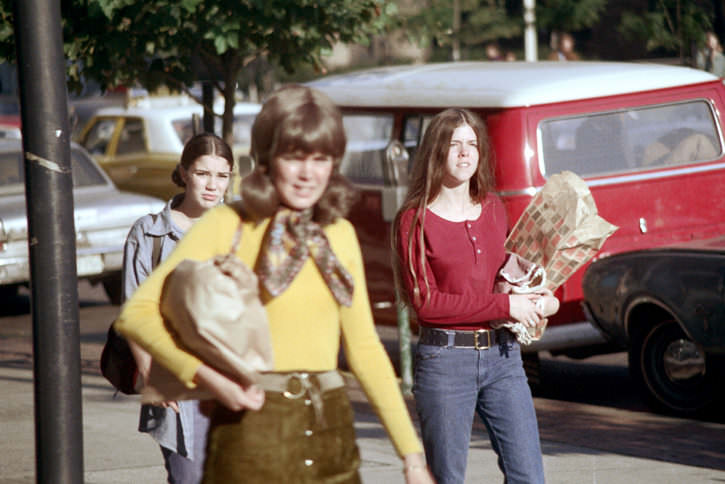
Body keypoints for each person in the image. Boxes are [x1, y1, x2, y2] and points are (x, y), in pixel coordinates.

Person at [115, 85, 435, 484]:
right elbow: (138, 314)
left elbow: (366, 349)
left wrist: (412, 456)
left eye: (321, 159)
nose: (308, 173)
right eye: (294, 157)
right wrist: (210, 380)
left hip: (330, 428)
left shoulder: (339, 233)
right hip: (251, 428)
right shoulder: (228, 223)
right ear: (267, 159)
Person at [392, 108, 553, 484]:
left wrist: (534, 296)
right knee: (448, 478)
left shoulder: (495, 207)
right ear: (435, 152)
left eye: (472, 144)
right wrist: (505, 305)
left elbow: (505, 275)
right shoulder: (414, 220)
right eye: (454, 145)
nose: (465, 153)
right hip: (445, 361)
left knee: (529, 476)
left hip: (504, 358)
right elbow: (426, 304)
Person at [121, 132, 234, 484]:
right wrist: (150, 373)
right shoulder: (150, 234)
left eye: (222, 175)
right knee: (188, 477)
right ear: (184, 172)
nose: (213, 185)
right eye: (203, 174)